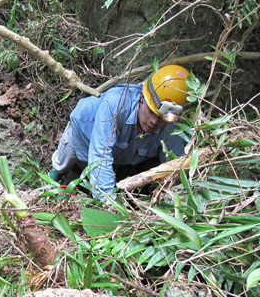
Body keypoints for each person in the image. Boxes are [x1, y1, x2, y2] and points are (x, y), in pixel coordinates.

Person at [48, 64, 189, 199]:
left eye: (161, 118)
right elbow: (100, 156)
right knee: (63, 163)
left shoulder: (171, 128)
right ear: (141, 97)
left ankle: (75, 178)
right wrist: (108, 201)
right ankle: (54, 175)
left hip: (119, 150)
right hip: (84, 130)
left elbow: (176, 168)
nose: (153, 121)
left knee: (94, 172)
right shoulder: (116, 103)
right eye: (151, 112)